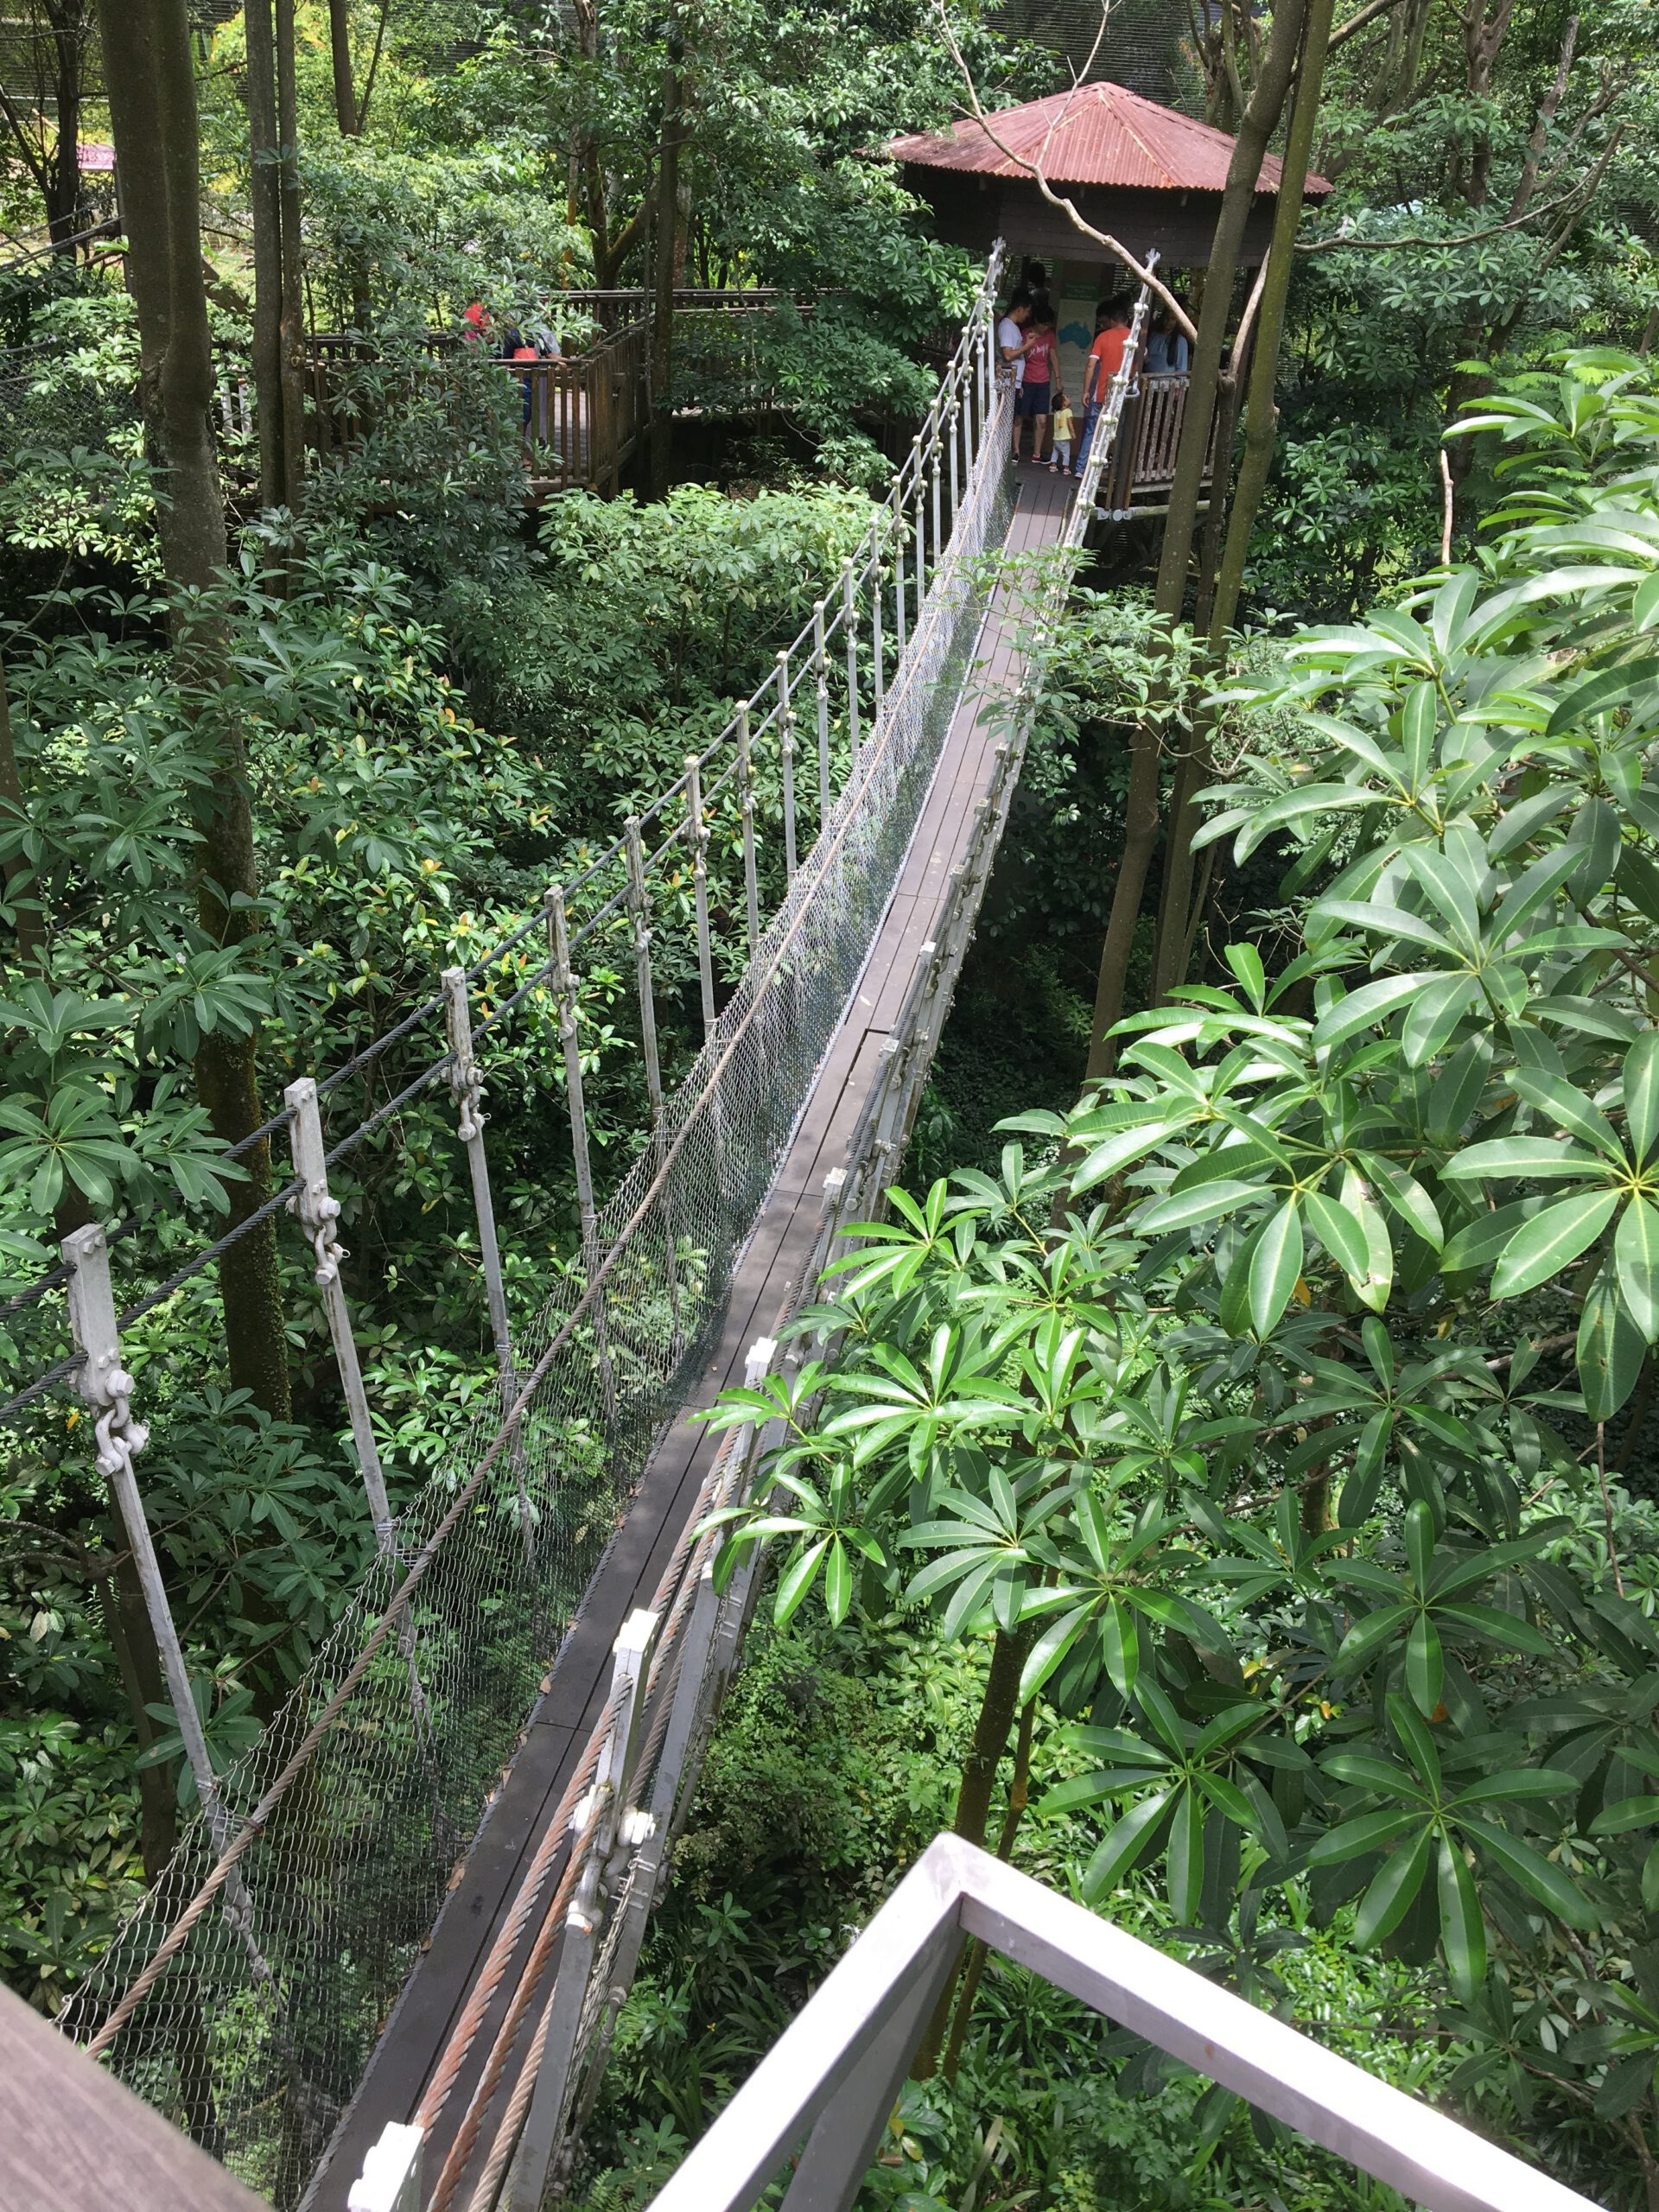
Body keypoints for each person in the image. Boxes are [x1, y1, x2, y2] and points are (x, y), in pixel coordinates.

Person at [1076, 296, 1133, 471]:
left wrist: (1086, 390)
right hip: (1122, 392)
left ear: (1111, 320)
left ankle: (1081, 467)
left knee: (1092, 429)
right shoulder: (1134, 337)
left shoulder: (1103, 337)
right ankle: (1114, 467)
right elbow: (1143, 358)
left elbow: (1091, 364)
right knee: (1119, 430)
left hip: (1101, 392)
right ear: (1127, 319)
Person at [1016, 306, 1058, 463]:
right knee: (1020, 417)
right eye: (1044, 324)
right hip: (1026, 379)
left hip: (1043, 381)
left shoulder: (1050, 335)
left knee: (1042, 419)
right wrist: (1028, 344)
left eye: (1048, 325)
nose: (1046, 328)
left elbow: (1053, 356)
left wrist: (1058, 378)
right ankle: (1016, 451)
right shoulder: (1025, 333)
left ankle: (1037, 454)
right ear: (1036, 322)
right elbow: (1022, 356)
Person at [995, 292, 1033, 456]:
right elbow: (1008, 355)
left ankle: (1003, 453)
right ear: (1020, 309)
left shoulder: (1013, 328)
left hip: (1014, 381)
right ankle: (1000, 453)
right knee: (1004, 419)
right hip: (1007, 380)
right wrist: (1027, 346)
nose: (1027, 316)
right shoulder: (1007, 326)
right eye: (1027, 311)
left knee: (1009, 418)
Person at [1147, 300, 1191, 374]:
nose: (1169, 321)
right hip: (1148, 381)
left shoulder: (1180, 341)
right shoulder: (1154, 336)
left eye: (1173, 319)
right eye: (1167, 317)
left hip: (1168, 383)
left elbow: (1182, 369)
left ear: (1177, 321)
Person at [1049, 389, 1076, 475]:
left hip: (1057, 438)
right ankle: (1066, 468)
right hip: (1064, 438)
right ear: (1064, 403)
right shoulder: (1068, 412)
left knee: (1055, 452)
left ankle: (1053, 465)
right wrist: (1073, 433)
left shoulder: (1057, 413)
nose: (1069, 398)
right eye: (1067, 397)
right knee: (1066, 453)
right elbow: (1069, 423)